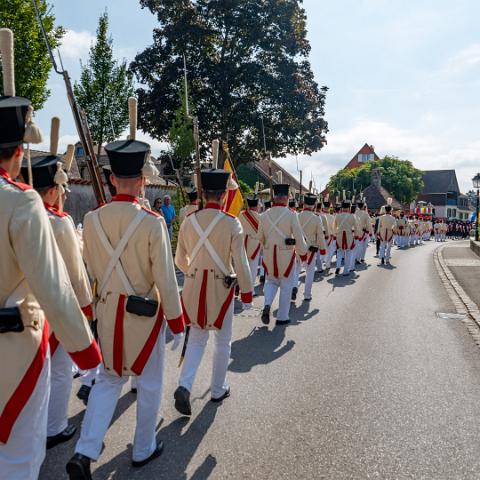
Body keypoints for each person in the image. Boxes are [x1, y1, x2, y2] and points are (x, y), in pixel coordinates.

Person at [0, 28, 101, 480]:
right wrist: (88, 353)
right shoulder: (23, 202)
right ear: (19, 150)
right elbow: (55, 287)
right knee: (21, 460)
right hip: (14, 348)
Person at [67, 99, 185, 478]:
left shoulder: (92, 217)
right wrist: (177, 320)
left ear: (112, 178)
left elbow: (88, 269)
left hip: (107, 313)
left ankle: (85, 452)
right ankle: (143, 448)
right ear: (143, 181)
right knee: (149, 385)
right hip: (144, 317)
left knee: (108, 381)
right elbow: (165, 276)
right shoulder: (152, 222)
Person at [19, 123, 95, 451]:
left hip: (20, 305)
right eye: (60, 189)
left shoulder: (19, 212)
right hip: (54, 308)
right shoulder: (59, 222)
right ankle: (54, 426)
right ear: (52, 189)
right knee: (60, 370)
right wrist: (86, 310)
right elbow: (75, 274)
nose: (63, 195)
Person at [174, 169, 253, 416]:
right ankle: (218, 389)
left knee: (197, 339)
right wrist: (248, 293)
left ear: (204, 192)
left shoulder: (189, 220)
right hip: (222, 286)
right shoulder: (232, 223)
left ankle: (184, 386)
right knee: (222, 340)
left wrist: (194, 272)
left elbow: (179, 260)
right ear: (223, 195)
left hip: (193, 286)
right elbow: (241, 262)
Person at [258, 184, 308, 325]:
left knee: (271, 281)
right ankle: (282, 316)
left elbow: (260, 237)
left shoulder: (263, 215)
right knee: (286, 286)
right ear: (286, 198)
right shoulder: (291, 215)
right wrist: (303, 254)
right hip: (286, 255)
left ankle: (267, 304)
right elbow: (298, 237)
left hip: (269, 255)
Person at [298, 194, 326, 301]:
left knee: (296, 270)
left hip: (298, 247)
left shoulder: (296, 216)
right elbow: (320, 235)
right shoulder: (316, 218)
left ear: (304, 203)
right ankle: (307, 295)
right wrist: (323, 249)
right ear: (314, 205)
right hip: (311, 248)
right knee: (310, 272)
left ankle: (294, 287)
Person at [239, 196, 262, 289]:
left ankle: (240, 286)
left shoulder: (240, 215)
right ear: (256, 205)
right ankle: (250, 290)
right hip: (254, 245)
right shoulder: (260, 217)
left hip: (241, 244)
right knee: (252, 268)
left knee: (241, 267)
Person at [333, 200, 360, 276]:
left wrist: (335, 234)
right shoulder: (352, 216)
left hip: (339, 236)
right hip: (349, 236)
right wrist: (357, 235)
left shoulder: (337, 216)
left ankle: (338, 266)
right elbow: (356, 227)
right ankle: (346, 271)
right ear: (349, 207)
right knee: (348, 253)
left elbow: (334, 227)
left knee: (339, 252)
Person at [378, 201, 397, 265]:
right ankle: (387, 259)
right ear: (390, 210)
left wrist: (378, 232)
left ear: (385, 210)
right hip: (389, 232)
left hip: (382, 232)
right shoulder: (393, 218)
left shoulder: (381, 217)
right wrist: (393, 231)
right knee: (389, 247)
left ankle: (382, 257)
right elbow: (395, 226)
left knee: (382, 246)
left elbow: (379, 225)